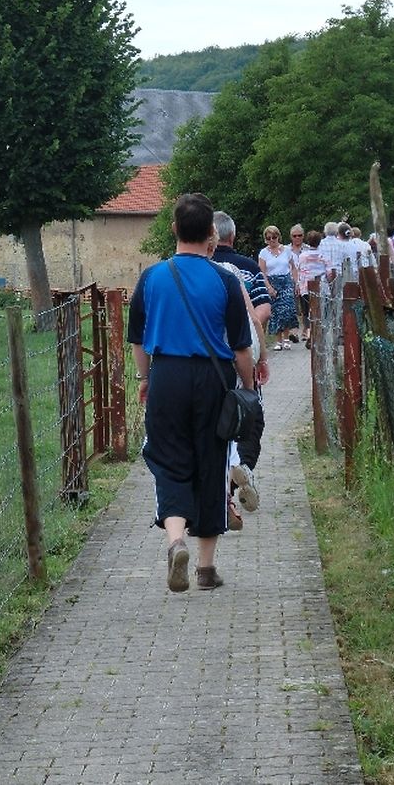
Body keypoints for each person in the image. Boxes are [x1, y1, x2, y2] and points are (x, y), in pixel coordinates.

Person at [128, 193, 255, 592]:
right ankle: (205, 568)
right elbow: (241, 348)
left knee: (168, 460)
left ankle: (175, 541)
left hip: (166, 375)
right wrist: (249, 387)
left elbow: (137, 340)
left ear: (174, 229)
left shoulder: (151, 278)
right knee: (211, 463)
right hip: (212, 380)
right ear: (211, 233)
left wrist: (145, 379)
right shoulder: (225, 281)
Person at [207, 230, 269, 529]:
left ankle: (224, 496)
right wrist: (262, 359)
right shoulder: (234, 271)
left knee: (211, 431)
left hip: (200, 366)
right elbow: (255, 317)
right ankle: (239, 469)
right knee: (248, 422)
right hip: (235, 360)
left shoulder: (175, 271)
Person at [213, 211, 271, 327]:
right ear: (232, 237)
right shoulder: (249, 267)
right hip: (242, 334)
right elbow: (264, 309)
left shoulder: (197, 266)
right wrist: (246, 331)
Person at [258, 225, 298, 350]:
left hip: (286, 281)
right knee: (276, 312)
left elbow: (293, 267)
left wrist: (295, 282)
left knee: (287, 310)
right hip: (272, 282)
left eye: (274, 237)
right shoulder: (263, 253)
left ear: (278, 237)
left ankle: (286, 338)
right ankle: (278, 340)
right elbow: (262, 272)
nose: (272, 240)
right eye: (268, 238)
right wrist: (268, 287)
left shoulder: (287, 250)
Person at [297, 230, 327, 347]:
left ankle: (309, 333)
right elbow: (329, 271)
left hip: (305, 287)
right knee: (319, 311)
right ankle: (318, 335)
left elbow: (300, 270)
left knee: (307, 312)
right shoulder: (323, 255)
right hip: (321, 287)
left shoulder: (302, 256)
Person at [286, 224, 306, 341]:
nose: (297, 238)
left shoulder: (308, 248)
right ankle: (293, 332)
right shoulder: (285, 250)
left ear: (303, 236)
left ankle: (305, 331)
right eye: (294, 236)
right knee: (292, 308)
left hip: (305, 281)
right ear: (291, 237)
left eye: (299, 235)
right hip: (290, 280)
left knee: (305, 308)